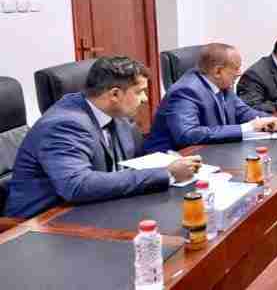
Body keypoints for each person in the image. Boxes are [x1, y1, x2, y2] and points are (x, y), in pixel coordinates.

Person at [4, 57, 201, 218]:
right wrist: (166, 173)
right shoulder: (64, 124)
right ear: (114, 94)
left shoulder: (114, 113)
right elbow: (77, 186)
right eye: (140, 92)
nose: (145, 99)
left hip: (92, 208)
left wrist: (167, 162)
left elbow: (132, 159)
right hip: (41, 223)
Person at [144, 43, 277, 153]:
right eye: (236, 68)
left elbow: (243, 111)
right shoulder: (186, 91)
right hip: (172, 159)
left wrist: (269, 120)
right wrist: (247, 128)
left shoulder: (222, 84)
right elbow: (187, 135)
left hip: (208, 152)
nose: (240, 73)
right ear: (218, 71)